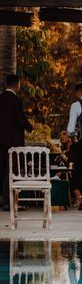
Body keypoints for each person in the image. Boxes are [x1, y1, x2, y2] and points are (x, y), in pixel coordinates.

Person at [0, 74, 32, 211]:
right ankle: (8, 202)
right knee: (10, 172)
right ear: (16, 85)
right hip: (12, 142)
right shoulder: (16, 100)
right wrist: (30, 127)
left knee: (0, 170)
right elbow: (21, 120)